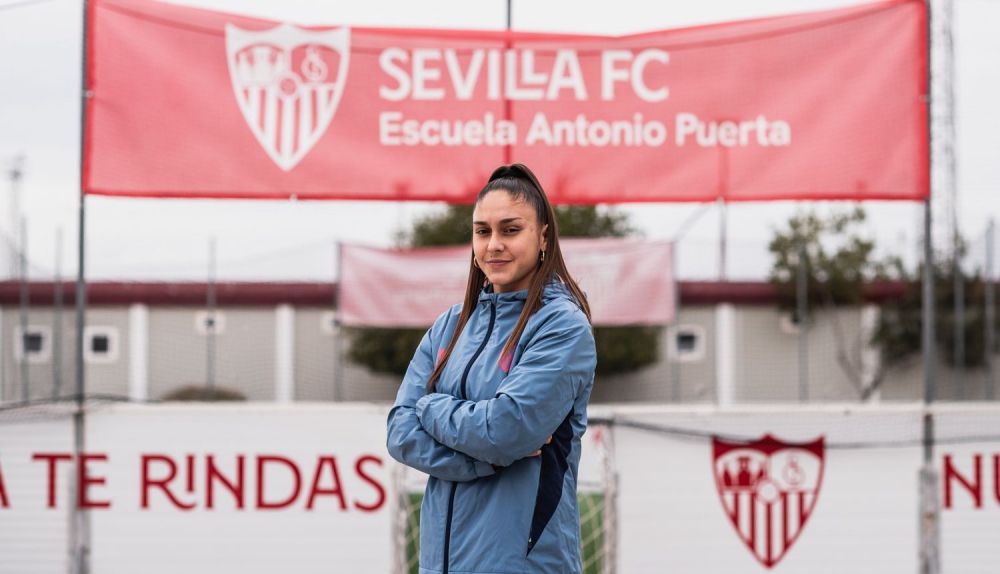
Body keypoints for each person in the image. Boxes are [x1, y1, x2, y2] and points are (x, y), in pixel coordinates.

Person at [386, 163, 597, 574]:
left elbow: (503, 431)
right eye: (483, 232)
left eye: (510, 230)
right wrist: (484, 461)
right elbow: (400, 433)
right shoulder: (450, 325)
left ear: (543, 237)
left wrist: (430, 406)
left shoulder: (562, 326)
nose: (494, 244)